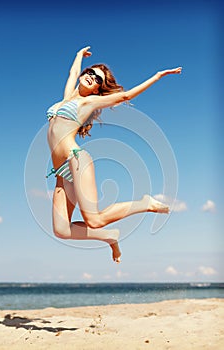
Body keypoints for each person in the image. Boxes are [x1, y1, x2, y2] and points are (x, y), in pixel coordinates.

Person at [46, 46, 182, 263]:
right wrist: (79, 56)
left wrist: (158, 76)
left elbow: (125, 95)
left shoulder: (89, 102)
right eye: (90, 73)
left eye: (97, 79)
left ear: (98, 90)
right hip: (60, 172)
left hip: (76, 159)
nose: (91, 77)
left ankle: (145, 203)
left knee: (95, 219)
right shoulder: (66, 98)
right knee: (61, 229)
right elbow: (72, 73)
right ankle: (109, 237)